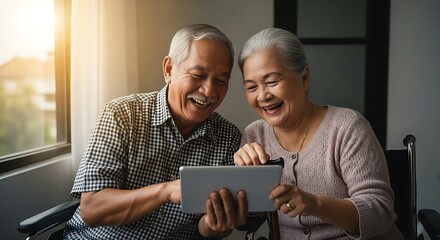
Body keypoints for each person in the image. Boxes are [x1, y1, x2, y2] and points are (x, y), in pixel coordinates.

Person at [63, 24, 248, 240]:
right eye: (198, 75)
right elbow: (92, 209)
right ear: (169, 69)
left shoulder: (229, 138)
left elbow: (208, 232)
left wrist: (213, 225)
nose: (209, 91)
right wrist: (166, 192)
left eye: (220, 81)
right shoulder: (122, 114)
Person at [233, 28, 404, 239]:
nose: (262, 96)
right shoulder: (254, 136)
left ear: (304, 77)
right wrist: (244, 186)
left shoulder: (347, 127)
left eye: (272, 82)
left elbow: (380, 212)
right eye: (251, 87)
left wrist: (315, 204)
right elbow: (249, 221)